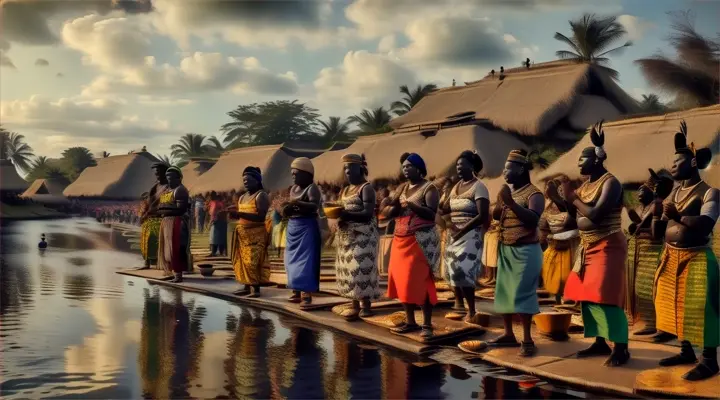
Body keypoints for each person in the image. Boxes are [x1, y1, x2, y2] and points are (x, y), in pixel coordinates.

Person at [652, 121, 719, 381]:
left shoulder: (710, 193)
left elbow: (705, 225)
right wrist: (658, 215)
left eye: (676, 160)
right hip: (671, 255)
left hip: (697, 257)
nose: (672, 165)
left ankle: (710, 361)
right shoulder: (675, 193)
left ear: (692, 163)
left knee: (701, 308)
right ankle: (686, 351)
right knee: (671, 303)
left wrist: (678, 216)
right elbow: (659, 234)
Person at [560, 121, 630, 367]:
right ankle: (600, 342)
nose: (579, 164)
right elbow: (574, 217)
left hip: (608, 245)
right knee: (589, 297)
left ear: (596, 160)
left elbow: (596, 214)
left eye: (582, 159)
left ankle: (621, 347)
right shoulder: (585, 185)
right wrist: (561, 200)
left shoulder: (611, 183)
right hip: (587, 246)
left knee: (607, 296)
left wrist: (573, 199)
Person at [489, 149, 544, 357]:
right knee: (503, 292)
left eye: (508, 168)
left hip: (526, 251)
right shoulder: (508, 192)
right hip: (506, 249)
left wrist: (510, 202)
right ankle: (508, 334)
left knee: (523, 293)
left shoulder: (534, 193)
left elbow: (532, 219)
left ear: (521, 169)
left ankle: (528, 339)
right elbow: (495, 216)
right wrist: (501, 201)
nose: (504, 172)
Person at [384, 153, 440, 339]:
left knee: (420, 280)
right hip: (400, 237)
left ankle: (427, 324)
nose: (405, 169)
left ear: (419, 168)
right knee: (402, 281)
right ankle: (410, 321)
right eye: (404, 166)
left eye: (409, 166)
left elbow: (431, 214)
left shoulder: (429, 188)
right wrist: (391, 206)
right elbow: (391, 210)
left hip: (420, 239)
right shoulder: (402, 188)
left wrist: (412, 205)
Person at [442, 151, 490, 323]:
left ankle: (472, 310)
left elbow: (482, 215)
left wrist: (462, 230)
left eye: (462, 166)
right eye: (457, 166)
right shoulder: (455, 186)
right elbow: (444, 208)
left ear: (471, 166)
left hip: (471, 234)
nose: (459, 169)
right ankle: (459, 304)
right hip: (454, 234)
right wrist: (445, 192)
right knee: (453, 271)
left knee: (464, 271)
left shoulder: (479, 187)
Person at [625, 169, 673, 336]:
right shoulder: (648, 207)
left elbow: (653, 231)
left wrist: (638, 229)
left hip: (653, 252)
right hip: (642, 252)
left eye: (643, 189)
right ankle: (646, 321)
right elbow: (638, 225)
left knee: (650, 288)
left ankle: (656, 324)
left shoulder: (661, 204)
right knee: (640, 288)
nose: (640, 192)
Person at [334, 154, 380, 321]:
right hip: (347, 235)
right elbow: (340, 209)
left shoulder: (366, 188)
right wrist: (340, 217)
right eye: (345, 168)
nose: (347, 171)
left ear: (359, 168)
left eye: (350, 168)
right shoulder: (345, 190)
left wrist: (346, 214)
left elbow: (367, 213)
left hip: (364, 234)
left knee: (361, 268)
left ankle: (365, 305)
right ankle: (354, 304)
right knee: (348, 269)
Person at [282, 157, 322, 306]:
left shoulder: (312, 188)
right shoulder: (293, 189)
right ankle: (295, 290)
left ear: (306, 173)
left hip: (307, 226)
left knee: (306, 260)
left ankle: (306, 293)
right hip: (294, 226)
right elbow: (292, 206)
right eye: (292, 173)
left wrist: (296, 203)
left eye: (296, 173)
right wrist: (288, 208)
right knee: (291, 260)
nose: (293, 176)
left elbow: (313, 206)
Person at [230, 167, 271, 298]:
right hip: (243, 235)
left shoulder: (261, 195)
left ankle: (256, 289)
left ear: (257, 180)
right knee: (242, 261)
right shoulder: (242, 197)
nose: (246, 182)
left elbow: (260, 217)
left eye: (248, 180)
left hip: (256, 233)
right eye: (244, 180)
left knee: (252, 261)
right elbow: (241, 215)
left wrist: (240, 213)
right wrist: (234, 215)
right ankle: (246, 286)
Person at [541, 176, 580, 304]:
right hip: (554, 242)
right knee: (554, 276)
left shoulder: (569, 203)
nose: (547, 189)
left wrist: (555, 197)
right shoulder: (546, 206)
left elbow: (571, 221)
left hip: (570, 242)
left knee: (566, 275)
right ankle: (558, 300)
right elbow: (543, 225)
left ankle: (571, 299)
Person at [157, 166, 192, 283]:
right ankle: (173, 272)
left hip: (177, 223)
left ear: (179, 178)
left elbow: (180, 209)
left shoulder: (180, 190)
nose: (169, 180)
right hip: (167, 223)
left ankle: (178, 275)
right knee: (167, 249)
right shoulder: (167, 190)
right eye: (168, 177)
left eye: (172, 178)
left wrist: (163, 211)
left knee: (177, 248)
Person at [139, 163, 168, 269]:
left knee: (157, 239)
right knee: (145, 239)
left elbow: (164, 203)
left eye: (159, 174)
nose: (157, 176)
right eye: (156, 174)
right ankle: (147, 262)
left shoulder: (168, 188)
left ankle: (161, 262)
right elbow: (149, 203)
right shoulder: (154, 187)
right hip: (150, 218)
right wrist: (144, 215)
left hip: (162, 218)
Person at [208, 191, 227, 257]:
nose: (210, 197)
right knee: (214, 238)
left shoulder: (218, 203)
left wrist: (212, 221)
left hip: (219, 221)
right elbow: (211, 213)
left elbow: (221, 211)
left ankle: (220, 252)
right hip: (214, 222)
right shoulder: (212, 202)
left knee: (218, 238)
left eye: (211, 195)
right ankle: (214, 252)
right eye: (210, 196)